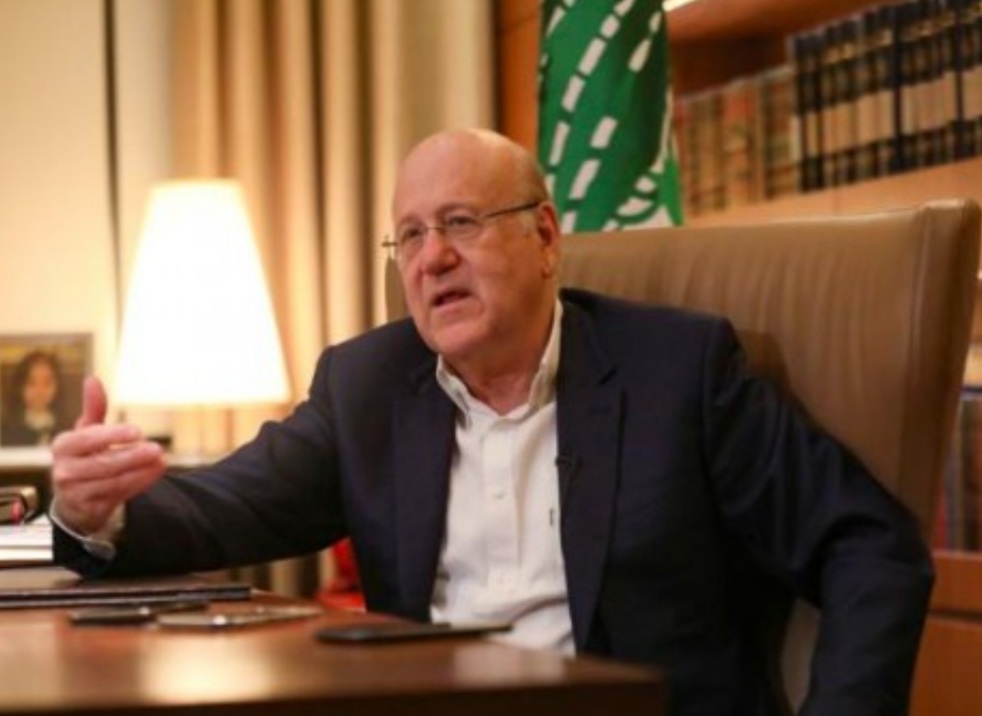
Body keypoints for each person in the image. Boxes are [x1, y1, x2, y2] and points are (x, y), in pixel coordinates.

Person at [50, 128, 932, 716]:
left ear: (545, 237)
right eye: (409, 236)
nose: (431, 258)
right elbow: (226, 506)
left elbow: (869, 546)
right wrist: (99, 512)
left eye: (461, 223)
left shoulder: (679, 372)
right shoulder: (367, 386)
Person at [1, 349, 69, 447]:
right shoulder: (6, 431)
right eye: (31, 383)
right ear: (19, 386)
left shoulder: (67, 429)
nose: (40, 391)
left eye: (47, 383)